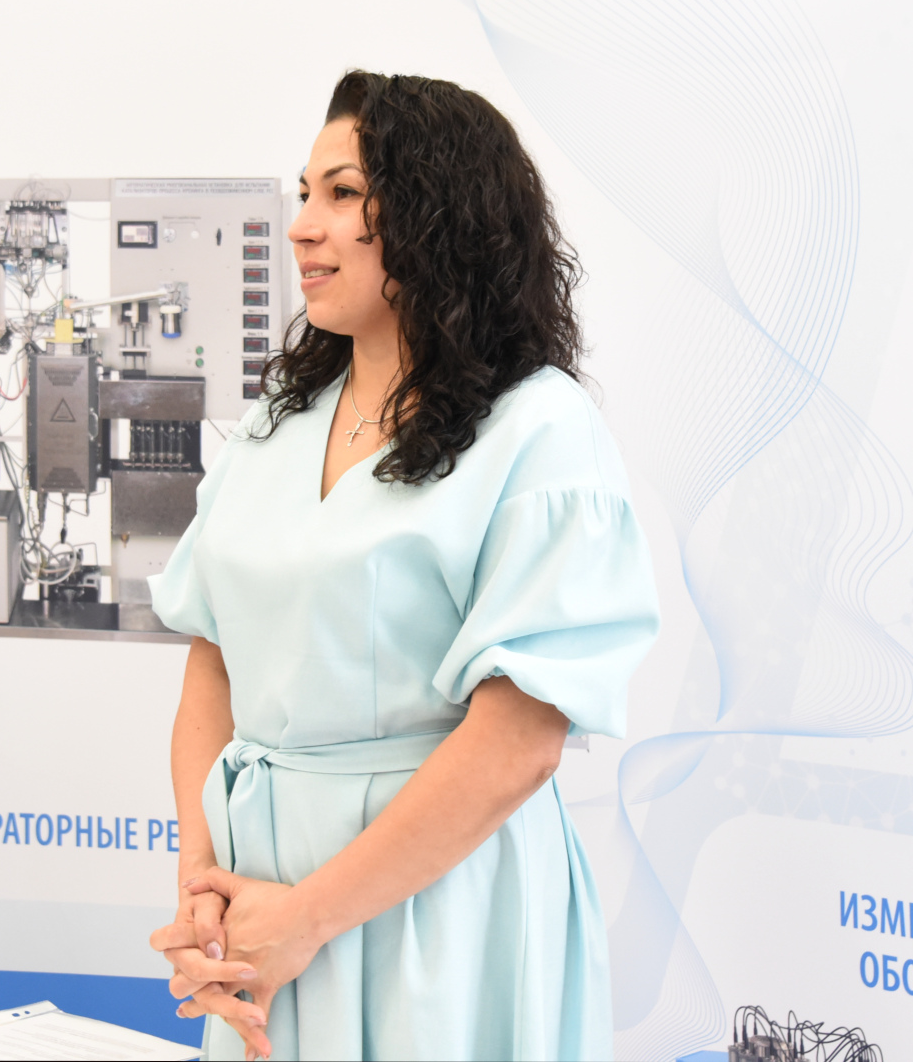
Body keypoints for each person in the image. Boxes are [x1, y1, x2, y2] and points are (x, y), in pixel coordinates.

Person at [147, 71, 660, 1062]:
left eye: (343, 194)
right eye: (305, 192)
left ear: (438, 216)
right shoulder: (273, 427)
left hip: (437, 907)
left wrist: (308, 916)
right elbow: (213, 660)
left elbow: (520, 741)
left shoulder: (539, 432)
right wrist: (204, 885)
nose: (302, 226)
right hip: (260, 913)